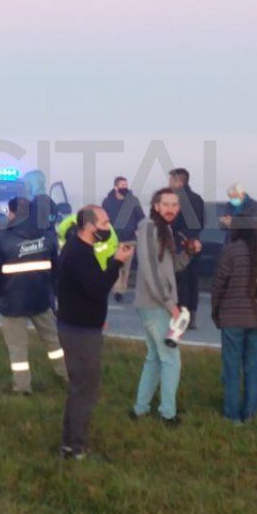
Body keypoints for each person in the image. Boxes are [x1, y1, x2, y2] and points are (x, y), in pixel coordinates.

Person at [55, 205, 135, 460]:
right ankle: (76, 447)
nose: (107, 227)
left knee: (79, 388)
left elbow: (89, 286)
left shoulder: (80, 250)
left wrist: (112, 262)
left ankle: (69, 443)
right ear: (89, 226)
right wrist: (118, 264)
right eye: (103, 223)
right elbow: (97, 287)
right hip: (80, 332)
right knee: (85, 390)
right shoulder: (78, 253)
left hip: (80, 326)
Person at [0, 196, 65, 395]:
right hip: (41, 299)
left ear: (11, 213)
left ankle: (22, 388)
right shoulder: (47, 236)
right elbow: (56, 270)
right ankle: (66, 375)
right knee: (54, 342)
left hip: (12, 303)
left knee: (18, 349)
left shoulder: (2, 238)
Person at [130, 188, 193, 426]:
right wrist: (170, 305)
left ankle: (139, 410)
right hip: (155, 305)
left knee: (155, 358)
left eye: (175, 205)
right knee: (171, 359)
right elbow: (150, 271)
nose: (171, 209)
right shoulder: (149, 227)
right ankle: (168, 414)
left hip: (158, 303)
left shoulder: (164, 229)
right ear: (155, 205)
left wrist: (188, 253)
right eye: (165, 204)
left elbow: (169, 267)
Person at [211, 224, 257, 424]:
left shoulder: (231, 251)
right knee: (252, 367)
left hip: (233, 318)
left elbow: (218, 285)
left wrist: (216, 312)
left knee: (232, 368)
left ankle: (232, 415)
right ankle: (250, 414)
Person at [169, 168, 206, 329]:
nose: (169, 183)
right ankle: (192, 316)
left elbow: (173, 223)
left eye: (171, 180)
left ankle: (182, 316)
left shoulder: (176, 199)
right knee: (193, 281)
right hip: (195, 244)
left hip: (180, 245)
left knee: (180, 281)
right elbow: (201, 222)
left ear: (179, 181)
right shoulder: (198, 199)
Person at [102, 176, 144, 302]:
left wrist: (139, 230)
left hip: (129, 239)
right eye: (122, 185)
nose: (125, 187)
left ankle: (121, 289)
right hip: (114, 239)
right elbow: (103, 218)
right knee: (117, 265)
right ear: (115, 187)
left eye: (126, 185)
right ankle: (117, 290)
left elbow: (140, 216)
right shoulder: (108, 202)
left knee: (126, 267)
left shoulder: (133, 201)